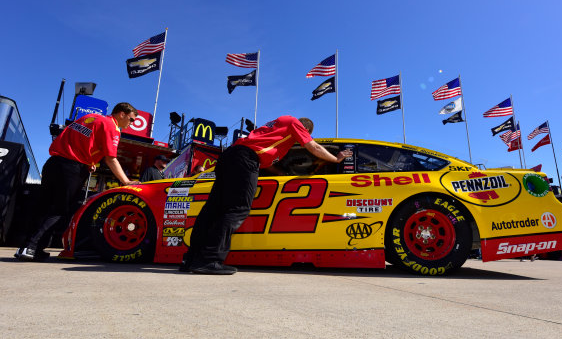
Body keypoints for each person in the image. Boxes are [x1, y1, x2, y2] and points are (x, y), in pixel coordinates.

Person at [181, 115, 353, 275]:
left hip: (230, 156)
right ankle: (209, 260)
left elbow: (266, 162)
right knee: (237, 209)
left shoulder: (275, 131)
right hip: (244, 159)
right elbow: (313, 146)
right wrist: (336, 159)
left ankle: (191, 260)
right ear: (305, 130)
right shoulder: (294, 123)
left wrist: (282, 174)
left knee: (213, 209)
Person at [15, 102, 141, 261]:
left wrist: (89, 162)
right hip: (71, 168)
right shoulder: (112, 127)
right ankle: (31, 246)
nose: (131, 124)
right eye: (131, 120)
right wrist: (126, 181)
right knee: (59, 210)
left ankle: (32, 248)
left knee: (44, 207)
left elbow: (77, 141)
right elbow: (111, 158)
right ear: (122, 114)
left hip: (53, 163)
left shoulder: (89, 117)